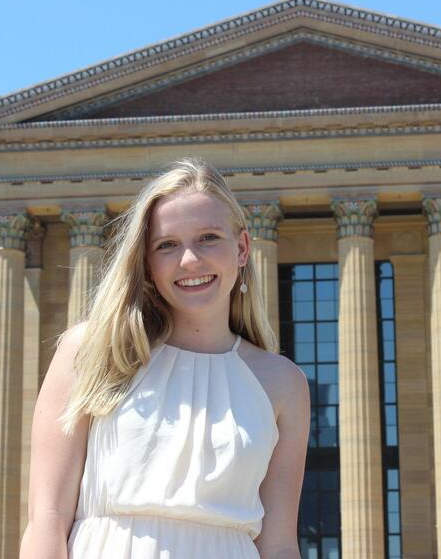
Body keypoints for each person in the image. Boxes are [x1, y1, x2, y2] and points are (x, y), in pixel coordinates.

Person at [20, 158, 310, 559]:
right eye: (167, 245)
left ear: (241, 248)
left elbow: (278, 545)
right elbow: (47, 519)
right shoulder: (90, 351)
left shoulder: (282, 383)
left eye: (208, 237)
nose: (190, 261)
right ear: (147, 263)